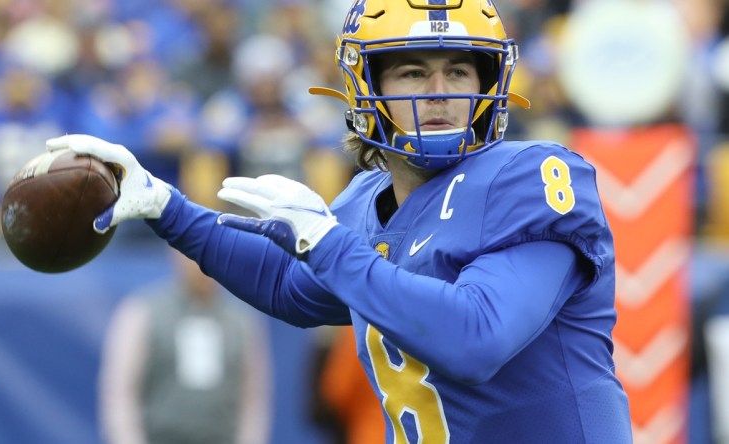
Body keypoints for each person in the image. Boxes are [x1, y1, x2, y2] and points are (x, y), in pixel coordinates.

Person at [48, 0, 633, 441]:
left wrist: (327, 245)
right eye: (411, 73)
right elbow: (287, 284)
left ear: (489, 83)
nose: (439, 93)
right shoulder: (362, 202)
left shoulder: (529, 176)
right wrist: (166, 208)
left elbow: (477, 338)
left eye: (459, 71)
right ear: (364, 86)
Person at [98, 249, 270, 444]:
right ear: (176, 252)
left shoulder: (243, 322)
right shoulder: (142, 313)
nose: (202, 265)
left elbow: (253, 400)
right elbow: (120, 394)